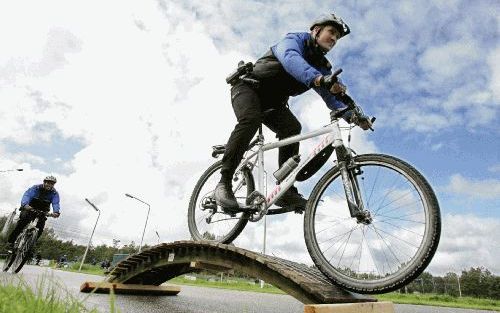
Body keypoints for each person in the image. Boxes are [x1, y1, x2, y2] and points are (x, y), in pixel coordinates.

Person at [215, 13, 372, 211]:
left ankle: (285, 192)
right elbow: (290, 59)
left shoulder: (322, 66)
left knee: (292, 127)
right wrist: (317, 79)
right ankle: (223, 183)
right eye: (331, 32)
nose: (333, 39)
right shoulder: (294, 40)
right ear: (316, 31)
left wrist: (354, 115)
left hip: (273, 104)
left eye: (337, 38)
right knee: (250, 120)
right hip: (248, 88)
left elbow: (332, 97)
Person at [6, 176, 61, 252]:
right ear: (44, 182)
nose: (49, 185)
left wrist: (56, 212)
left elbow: (55, 203)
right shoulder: (36, 188)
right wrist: (25, 205)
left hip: (43, 210)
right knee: (22, 222)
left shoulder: (54, 193)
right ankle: (11, 242)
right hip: (30, 207)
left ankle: (30, 245)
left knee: (40, 228)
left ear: (53, 185)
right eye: (48, 182)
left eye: (52, 183)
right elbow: (27, 195)